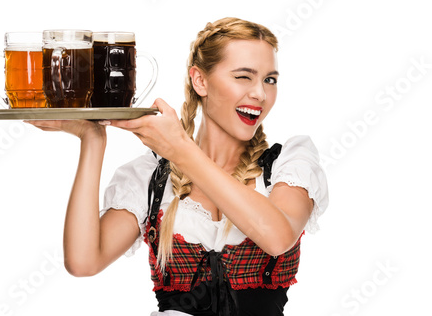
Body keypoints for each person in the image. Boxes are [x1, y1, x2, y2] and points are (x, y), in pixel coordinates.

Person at [25, 17, 329, 316]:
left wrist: (181, 151)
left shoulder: (287, 163)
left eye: (269, 80)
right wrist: (93, 140)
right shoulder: (152, 177)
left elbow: (277, 237)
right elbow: (83, 261)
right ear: (200, 81)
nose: (260, 94)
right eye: (243, 77)